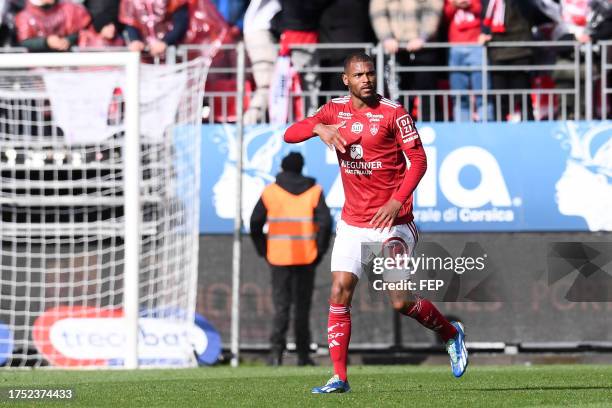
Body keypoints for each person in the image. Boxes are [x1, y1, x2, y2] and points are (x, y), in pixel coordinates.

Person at [284, 52, 468, 393]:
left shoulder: (393, 113)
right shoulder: (333, 110)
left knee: (399, 301)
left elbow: (418, 160)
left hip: (394, 222)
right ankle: (339, 377)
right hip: (353, 222)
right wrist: (317, 127)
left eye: (370, 73)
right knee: (339, 291)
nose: (366, 79)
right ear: (346, 79)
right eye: (359, 75)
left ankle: (450, 332)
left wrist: (397, 200)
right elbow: (290, 134)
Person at [250, 152, 332, 367]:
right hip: (306, 256)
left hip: (278, 257)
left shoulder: (271, 192)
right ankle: (303, 356)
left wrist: (263, 249)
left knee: (281, 307)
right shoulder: (314, 191)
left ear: (283, 168)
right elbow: (325, 223)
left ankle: (276, 355)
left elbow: (255, 222)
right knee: (302, 309)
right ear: (301, 167)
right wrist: (320, 250)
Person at [369, 0, 445, 121]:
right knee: (397, 94)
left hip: (425, 47)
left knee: (427, 92)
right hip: (394, 49)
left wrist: (423, 37)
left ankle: (432, 129)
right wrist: (387, 37)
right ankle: (399, 128)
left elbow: (434, 10)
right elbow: (378, 12)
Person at [444, 0, 492, 121]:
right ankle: (461, 128)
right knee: (459, 95)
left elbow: (485, 10)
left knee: (483, 92)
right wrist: (455, 4)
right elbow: (444, 15)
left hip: (477, 46)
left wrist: (469, 3)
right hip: (455, 47)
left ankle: (486, 126)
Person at [119, 0, 189, 58]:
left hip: (171, 53)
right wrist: (134, 39)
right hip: (143, 54)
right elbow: (130, 21)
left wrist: (166, 42)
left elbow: (180, 21)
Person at [15, 0, 91, 52]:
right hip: (39, 65)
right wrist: (46, 42)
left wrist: (67, 40)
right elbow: (25, 42)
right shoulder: (25, 16)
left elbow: (80, 31)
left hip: (68, 62)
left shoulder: (68, 8)